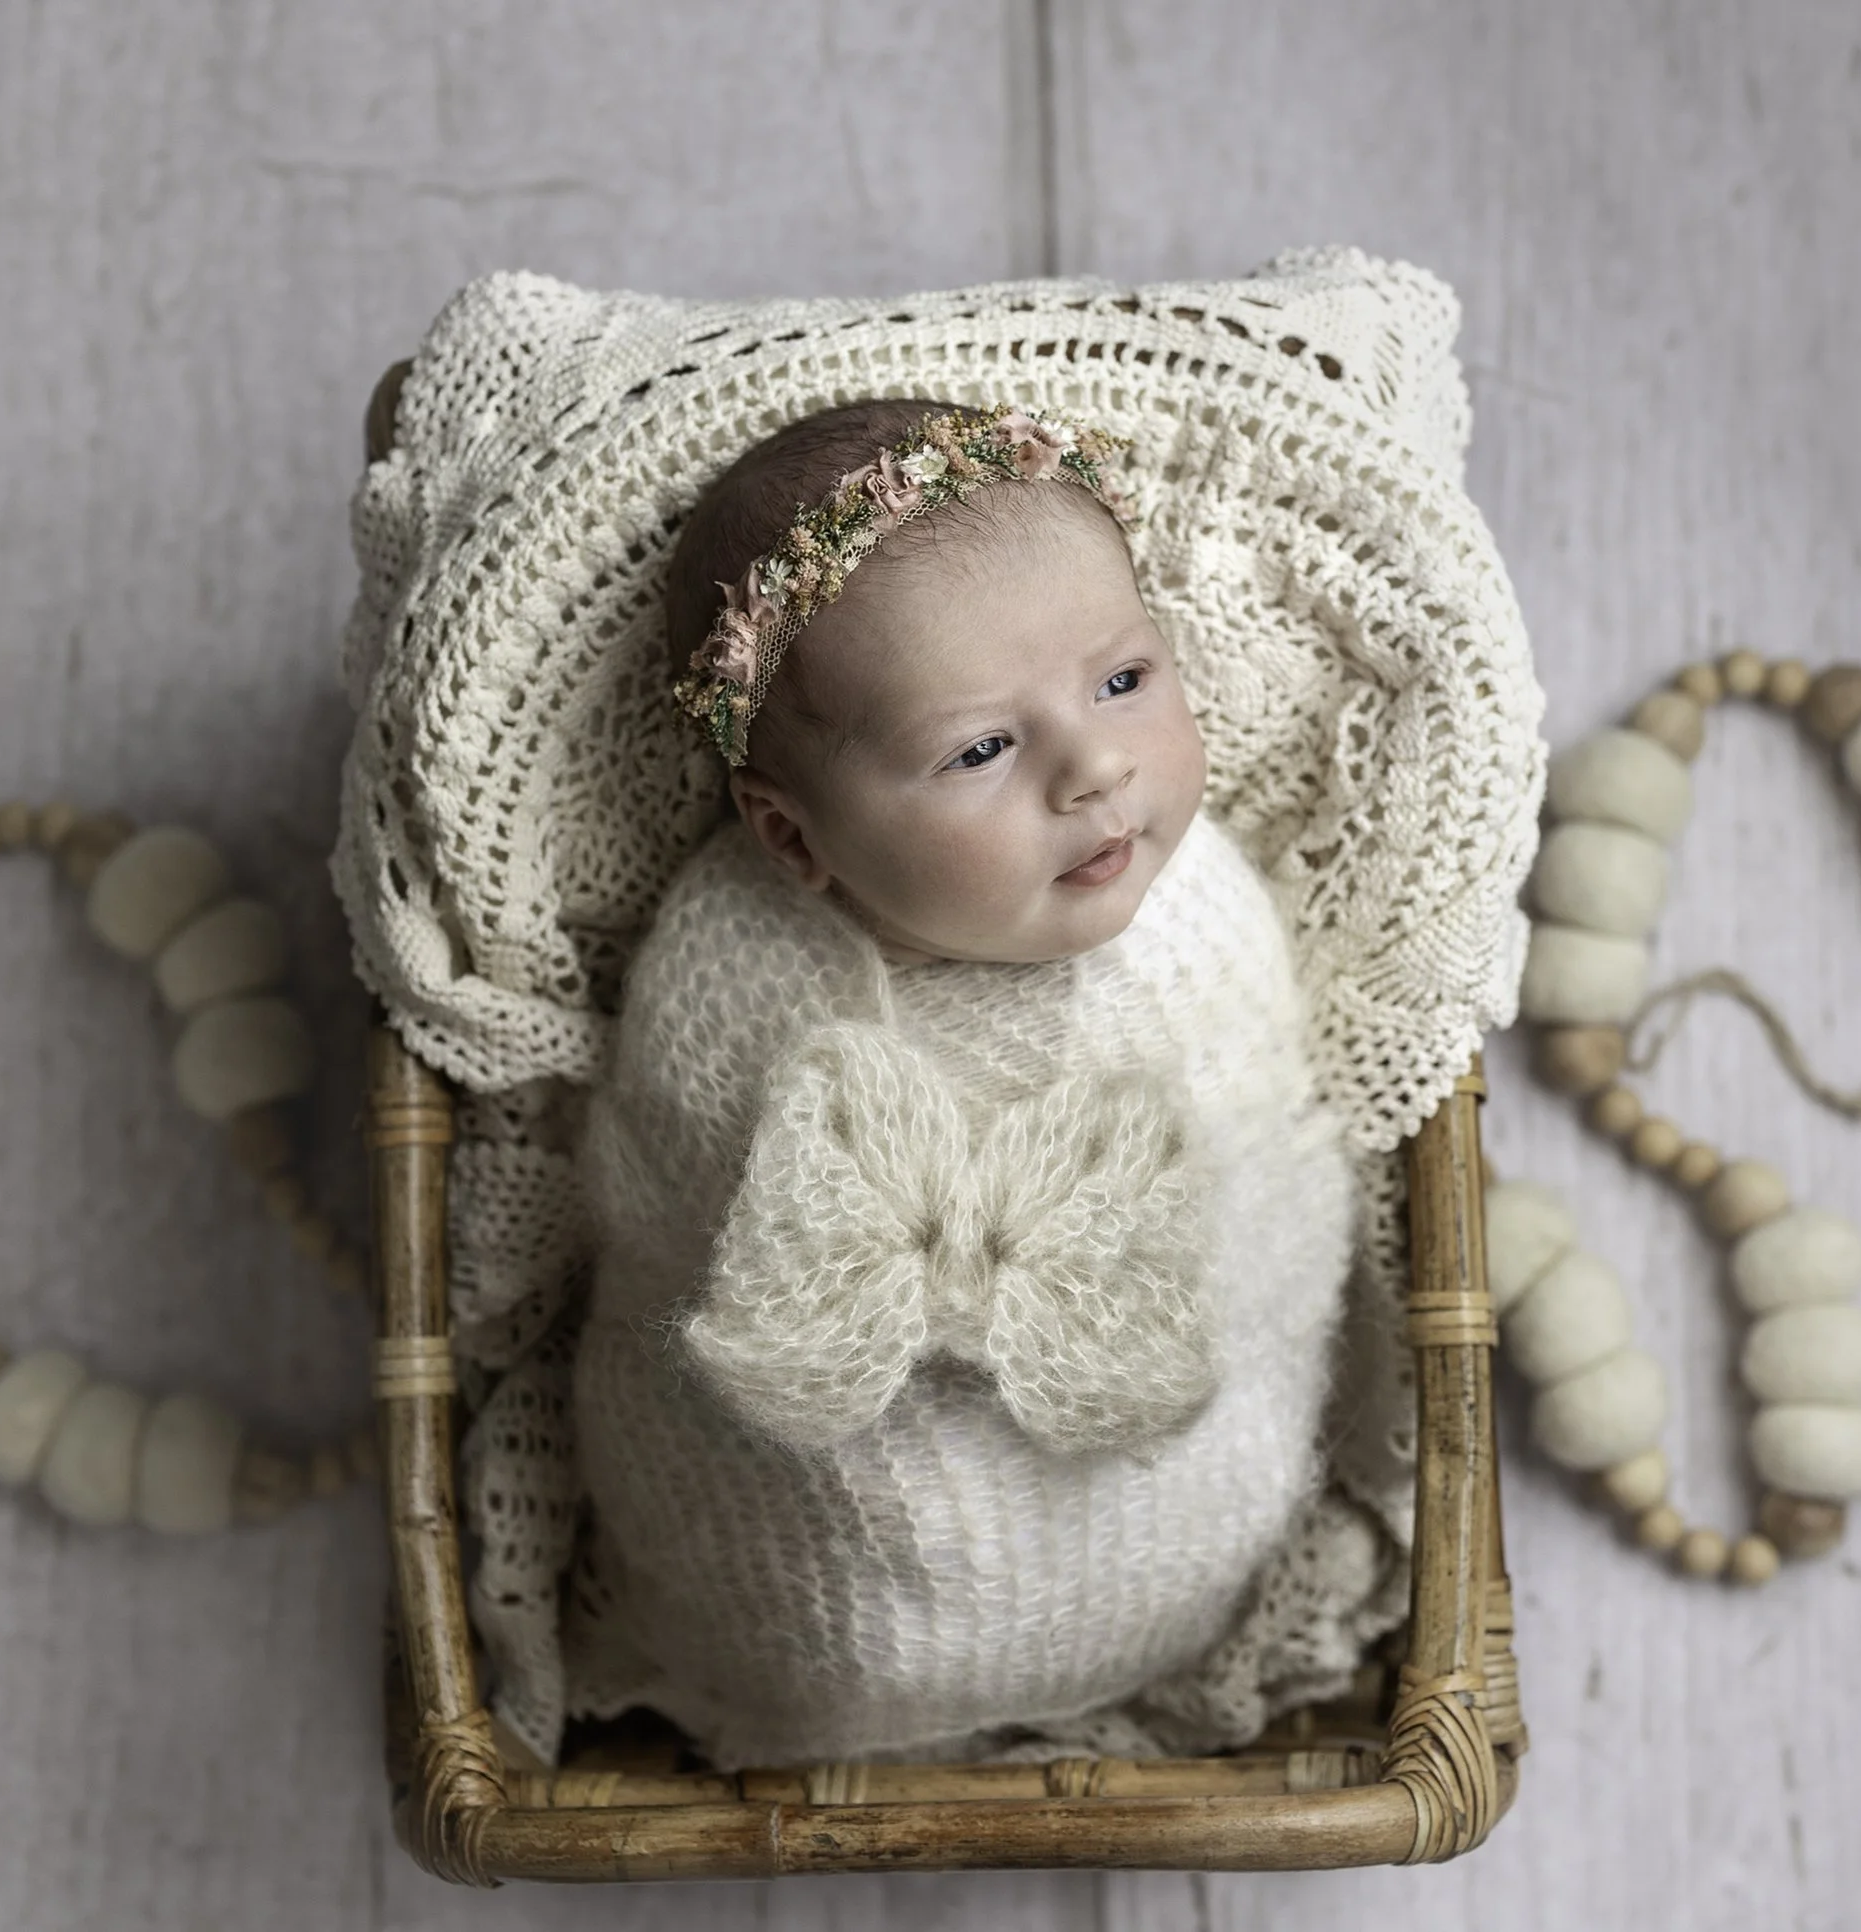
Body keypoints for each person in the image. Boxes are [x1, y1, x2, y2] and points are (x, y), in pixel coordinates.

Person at [476, 398, 1406, 1769]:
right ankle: (835, 1682)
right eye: (980, 750)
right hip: (794, 1539)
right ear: (797, 840)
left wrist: (1102, 1259)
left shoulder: (1202, 918)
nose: (1093, 767)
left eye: (1124, 680)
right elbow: (665, 1200)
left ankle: (1146, 1623)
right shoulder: (734, 956)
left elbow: (1266, 1182)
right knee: (763, 1475)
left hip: (1172, 1512)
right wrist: (889, 1271)